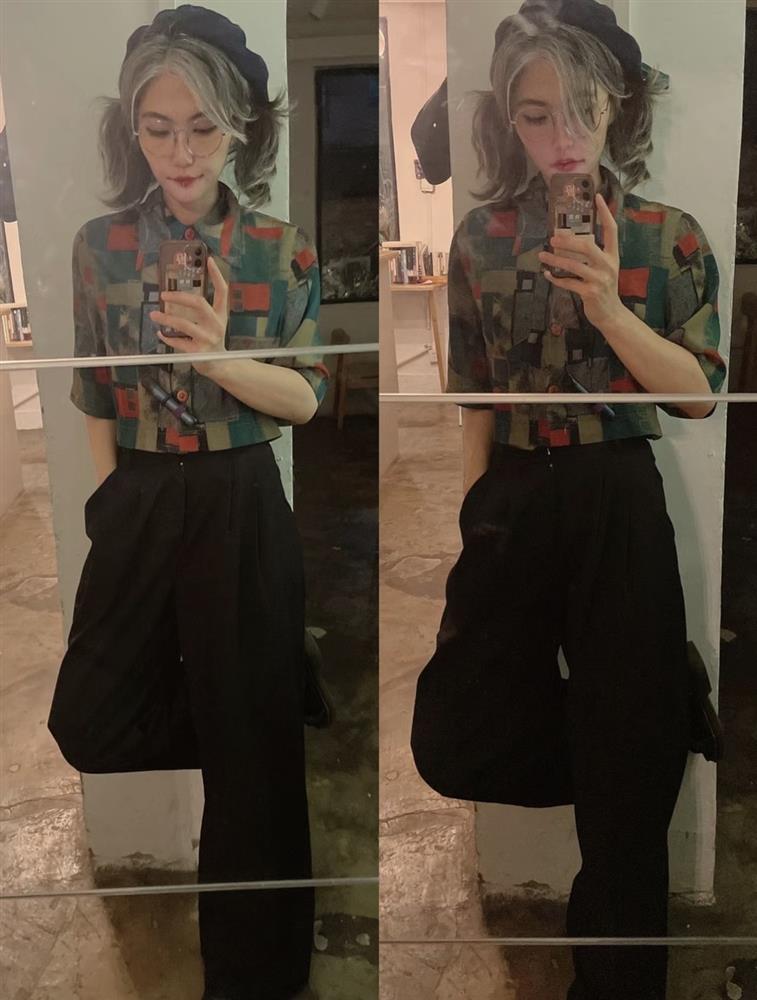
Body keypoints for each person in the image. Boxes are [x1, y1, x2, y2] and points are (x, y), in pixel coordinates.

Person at [410, 1, 726, 998]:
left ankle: (618, 970)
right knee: (457, 729)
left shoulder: (668, 237)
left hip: (616, 489)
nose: (561, 136)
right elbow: (474, 398)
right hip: (510, 489)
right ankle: (639, 725)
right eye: (536, 114)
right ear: (509, 119)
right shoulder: (479, 237)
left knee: (629, 773)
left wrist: (606, 306)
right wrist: (470, 519)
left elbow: (697, 395)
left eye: (581, 109)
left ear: (616, 107)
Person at [46, 7, 327, 999]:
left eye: (202, 127)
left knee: (254, 774)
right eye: (158, 127)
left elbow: (305, 399)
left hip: (238, 493)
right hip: (137, 491)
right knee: (90, 718)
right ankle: (257, 699)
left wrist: (217, 357)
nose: (180, 150)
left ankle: (256, 977)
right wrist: (108, 503)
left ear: (241, 125)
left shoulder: (280, 249)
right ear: (132, 128)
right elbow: (92, 390)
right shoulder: (99, 246)